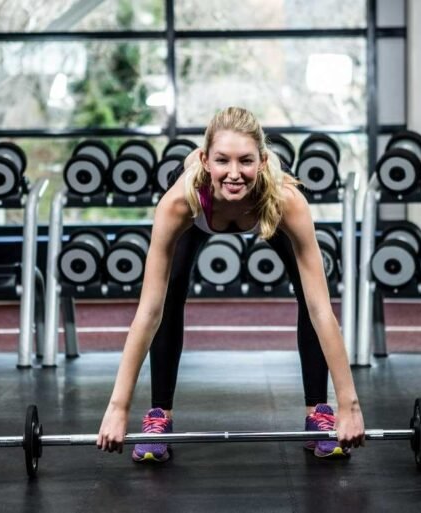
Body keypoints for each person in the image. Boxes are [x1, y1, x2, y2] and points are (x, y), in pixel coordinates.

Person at [96, 106, 365, 462]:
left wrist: (350, 405)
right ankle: (159, 417)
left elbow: (321, 309)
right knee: (169, 296)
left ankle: (319, 413)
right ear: (205, 160)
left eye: (246, 161)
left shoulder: (286, 200)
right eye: (222, 160)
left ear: (263, 161)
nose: (234, 174)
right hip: (200, 207)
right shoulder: (180, 202)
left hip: (264, 203)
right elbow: (147, 312)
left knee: (308, 293)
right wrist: (118, 408)